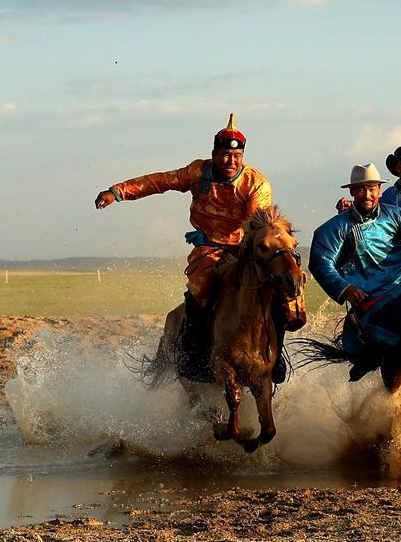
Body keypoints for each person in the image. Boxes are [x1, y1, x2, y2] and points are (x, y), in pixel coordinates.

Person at [94, 114, 306, 383]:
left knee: (281, 290)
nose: (231, 161)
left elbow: (255, 225)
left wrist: (233, 240)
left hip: (247, 250)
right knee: (201, 291)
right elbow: (162, 181)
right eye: (225, 154)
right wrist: (119, 191)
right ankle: (193, 354)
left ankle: (274, 357)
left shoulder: (256, 183)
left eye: (236, 156)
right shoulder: (197, 172)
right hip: (208, 251)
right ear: (215, 153)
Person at [310, 163, 401, 381]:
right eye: (361, 189)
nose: (368, 195)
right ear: (352, 192)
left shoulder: (395, 215)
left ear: (379, 190)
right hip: (377, 297)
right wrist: (346, 288)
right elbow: (321, 262)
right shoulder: (334, 228)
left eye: (372, 189)